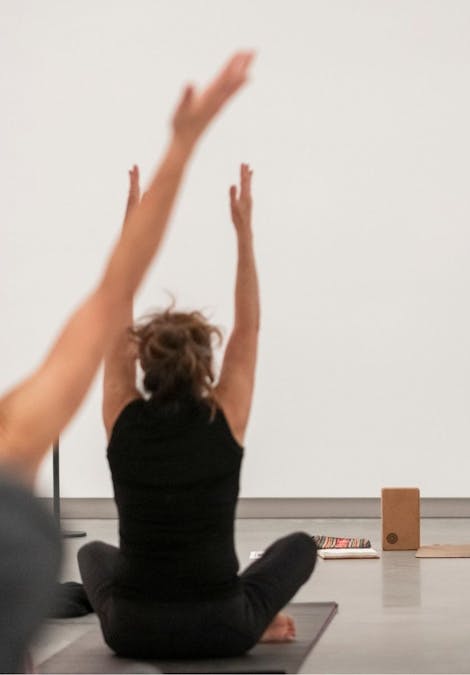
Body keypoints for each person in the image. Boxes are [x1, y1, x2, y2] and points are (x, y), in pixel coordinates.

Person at [0, 51, 254, 673]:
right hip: (214, 618)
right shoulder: (13, 434)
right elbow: (114, 300)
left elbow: (113, 309)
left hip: (133, 620)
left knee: (93, 564)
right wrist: (184, 147)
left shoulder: (109, 417)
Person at [77, 162, 317, 660]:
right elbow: (248, 328)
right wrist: (244, 231)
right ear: (206, 365)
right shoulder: (225, 415)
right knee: (300, 546)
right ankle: (259, 619)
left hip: (131, 631)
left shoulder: (122, 416)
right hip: (225, 626)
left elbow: (115, 314)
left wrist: (132, 234)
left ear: (144, 363)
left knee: (91, 553)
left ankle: (232, 612)